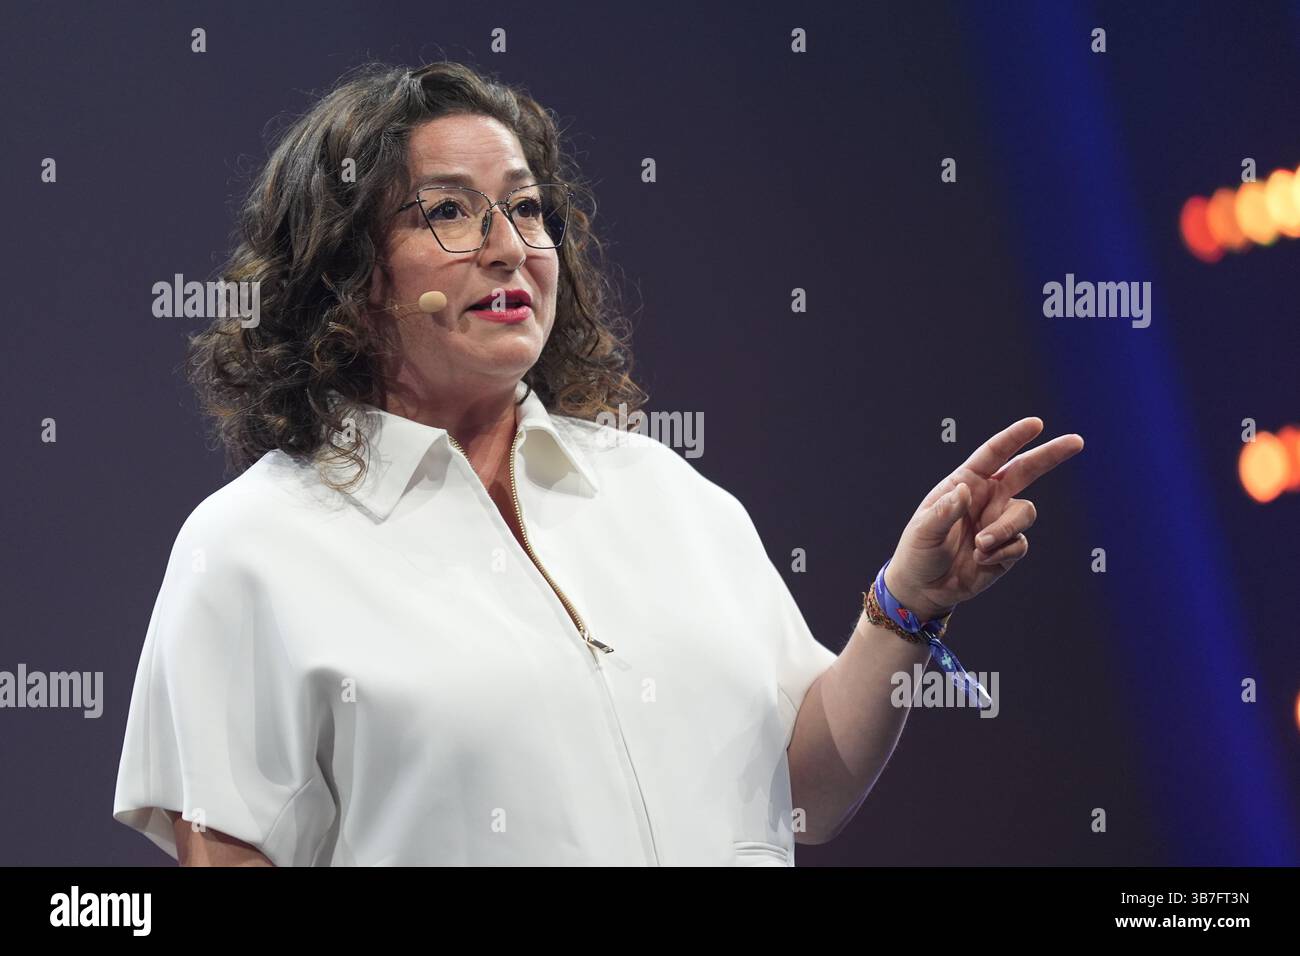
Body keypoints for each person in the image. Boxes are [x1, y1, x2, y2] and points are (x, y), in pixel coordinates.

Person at [112, 60, 1083, 866]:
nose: (509, 248)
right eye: (450, 211)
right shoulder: (252, 549)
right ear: (349, 275)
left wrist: (904, 603)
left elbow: (801, 788)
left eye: (527, 209)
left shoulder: (669, 496)